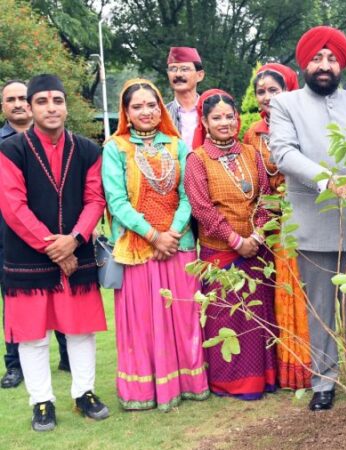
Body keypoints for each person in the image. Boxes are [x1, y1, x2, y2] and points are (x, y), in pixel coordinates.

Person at [269, 25, 346, 411]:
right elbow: (283, 154)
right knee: (319, 308)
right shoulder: (286, 104)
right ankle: (323, 382)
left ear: (342, 64)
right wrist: (328, 180)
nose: (325, 65)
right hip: (312, 223)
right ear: (305, 63)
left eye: (331, 58)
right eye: (317, 58)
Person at [0, 74, 109, 431]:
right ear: (30, 108)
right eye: (43, 101)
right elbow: (12, 206)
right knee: (32, 336)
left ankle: (84, 393)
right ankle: (42, 402)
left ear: (66, 105)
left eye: (57, 100)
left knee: (80, 330)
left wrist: (74, 239)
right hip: (27, 256)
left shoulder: (89, 150)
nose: (51, 107)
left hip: (76, 252)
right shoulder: (10, 150)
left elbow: (95, 199)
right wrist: (56, 247)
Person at [102, 79, 209, 410]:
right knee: (143, 323)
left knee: (183, 316)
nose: (146, 112)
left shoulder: (177, 145)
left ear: (160, 108)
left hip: (179, 245)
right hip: (138, 248)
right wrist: (154, 236)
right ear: (127, 112)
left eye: (151, 105)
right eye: (137, 107)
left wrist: (172, 234)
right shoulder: (115, 147)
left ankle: (187, 384)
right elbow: (116, 201)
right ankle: (144, 391)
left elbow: (189, 193)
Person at [185, 89, 278, 400]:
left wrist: (258, 236)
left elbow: (266, 197)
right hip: (220, 252)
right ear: (205, 122)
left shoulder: (250, 153)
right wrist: (236, 240)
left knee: (256, 317)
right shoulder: (197, 159)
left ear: (238, 118)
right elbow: (201, 208)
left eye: (229, 116)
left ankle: (263, 379)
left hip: (256, 249)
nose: (224, 122)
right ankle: (229, 382)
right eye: (217, 118)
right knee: (226, 317)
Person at [241, 63, 312, 390]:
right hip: (263, 226)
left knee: (299, 293)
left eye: (274, 90)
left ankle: (305, 369)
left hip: (299, 221)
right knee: (268, 296)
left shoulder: (304, 125)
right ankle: (277, 371)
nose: (267, 97)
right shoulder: (252, 133)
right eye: (261, 91)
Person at [165, 47, 205, 149]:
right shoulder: (162, 114)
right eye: (173, 69)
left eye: (185, 69)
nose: (178, 74)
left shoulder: (211, 112)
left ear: (200, 75)